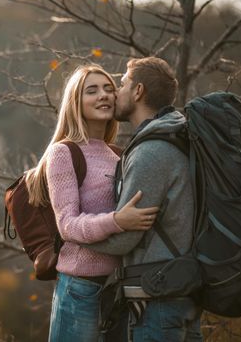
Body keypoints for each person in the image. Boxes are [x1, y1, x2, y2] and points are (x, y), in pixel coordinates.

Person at [25, 63, 160, 342]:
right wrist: (117, 221)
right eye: (92, 90)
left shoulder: (120, 154)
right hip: (80, 289)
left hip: (119, 289)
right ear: (76, 102)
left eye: (109, 89)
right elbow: (67, 226)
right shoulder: (64, 152)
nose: (104, 96)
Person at [87, 57, 203, 341]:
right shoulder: (177, 137)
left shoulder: (151, 152)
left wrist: (73, 235)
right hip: (177, 293)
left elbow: (126, 238)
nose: (116, 92)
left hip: (158, 300)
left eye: (123, 84)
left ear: (138, 92)